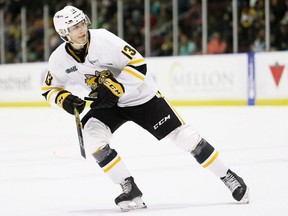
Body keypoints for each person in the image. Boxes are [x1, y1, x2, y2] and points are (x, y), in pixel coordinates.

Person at [41, 5, 249, 211]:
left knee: (185, 138)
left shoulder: (104, 39)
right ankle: (129, 187)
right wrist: (65, 100)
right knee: (92, 134)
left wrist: (115, 88)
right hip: (110, 105)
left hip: (141, 96)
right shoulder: (58, 59)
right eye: (74, 27)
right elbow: (49, 88)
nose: (82, 29)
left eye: (82, 23)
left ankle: (229, 176)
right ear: (63, 34)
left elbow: (138, 64)